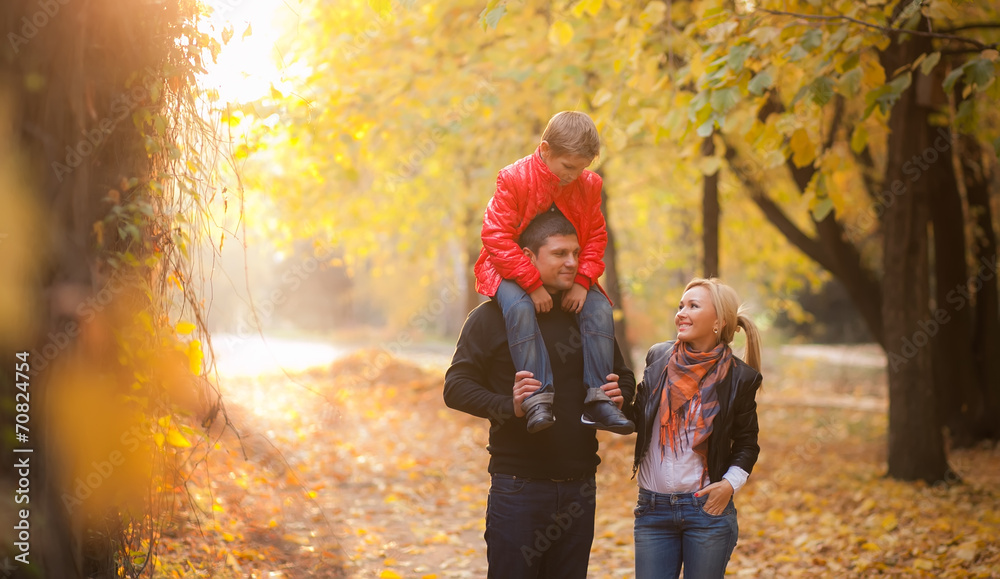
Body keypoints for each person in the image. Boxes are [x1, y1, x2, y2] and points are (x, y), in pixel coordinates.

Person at [445, 211, 636, 578]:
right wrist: (509, 406)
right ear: (529, 258)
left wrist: (619, 393)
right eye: (560, 253)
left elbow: (624, 377)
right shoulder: (490, 318)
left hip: (579, 487)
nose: (572, 263)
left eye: (577, 254)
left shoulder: (587, 314)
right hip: (518, 488)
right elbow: (456, 387)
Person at [473, 111, 633, 435]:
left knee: (600, 307)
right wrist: (531, 284)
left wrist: (584, 280)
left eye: (583, 168)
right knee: (519, 308)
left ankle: (599, 399)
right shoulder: (514, 178)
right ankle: (536, 397)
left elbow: (596, 236)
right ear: (545, 150)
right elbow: (495, 236)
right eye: (569, 167)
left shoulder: (588, 185)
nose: (575, 175)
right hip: (509, 267)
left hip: (568, 268)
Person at [626, 278, 763, 579]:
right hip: (652, 510)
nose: (681, 313)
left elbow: (746, 443)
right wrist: (616, 400)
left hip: (706, 513)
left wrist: (729, 485)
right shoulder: (658, 357)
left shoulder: (741, 378)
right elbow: (639, 416)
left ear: (718, 321)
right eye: (680, 306)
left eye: (693, 306)